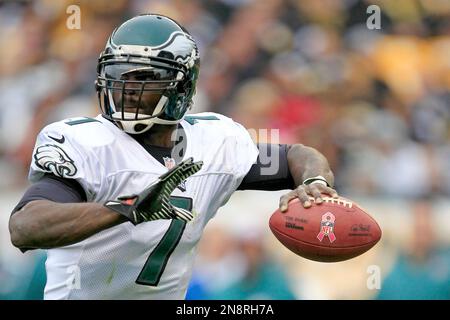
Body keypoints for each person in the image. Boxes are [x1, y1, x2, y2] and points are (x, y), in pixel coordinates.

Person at [9, 14, 338, 300]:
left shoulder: (214, 141)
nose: (126, 87)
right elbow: (25, 227)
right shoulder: (85, 142)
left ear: (182, 87)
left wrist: (314, 181)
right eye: (120, 73)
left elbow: (298, 155)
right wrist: (124, 209)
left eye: (143, 78)